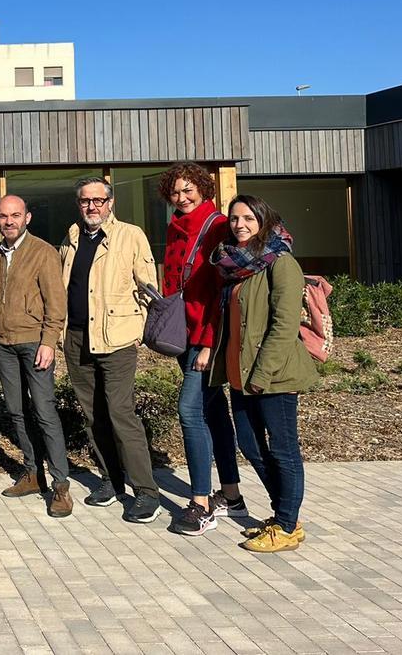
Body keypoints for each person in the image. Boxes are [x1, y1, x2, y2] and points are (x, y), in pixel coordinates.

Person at [209, 195, 316, 553]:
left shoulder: (280, 263)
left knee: (283, 450)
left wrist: (262, 373)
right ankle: (286, 515)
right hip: (242, 375)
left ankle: (286, 525)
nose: (239, 224)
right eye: (234, 218)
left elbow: (285, 324)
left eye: (247, 218)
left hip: (273, 376)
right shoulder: (234, 266)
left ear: (263, 220)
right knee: (251, 446)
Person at [59, 177, 162, 523]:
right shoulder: (72, 236)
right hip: (77, 337)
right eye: (86, 201)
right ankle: (110, 479)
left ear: (111, 203)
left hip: (117, 339)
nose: (92, 207)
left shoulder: (130, 236)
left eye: (98, 200)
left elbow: (149, 287)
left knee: (120, 412)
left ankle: (146, 492)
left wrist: (140, 331)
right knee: (92, 414)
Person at [157, 163, 247, 537]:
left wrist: (210, 343)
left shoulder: (218, 227)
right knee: (214, 413)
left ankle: (200, 502)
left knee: (189, 411)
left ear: (204, 189)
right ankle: (231, 495)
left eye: (189, 189)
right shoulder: (175, 227)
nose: (182, 197)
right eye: (176, 192)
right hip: (184, 332)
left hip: (206, 336)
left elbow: (218, 292)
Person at [0, 194, 73, 518]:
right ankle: (32, 473)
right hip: (5, 344)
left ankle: (61, 486)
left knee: (44, 411)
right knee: (16, 410)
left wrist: (49, 341)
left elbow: (56, 303)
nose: (8, 221)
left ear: (27, 218)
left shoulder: (43, 252)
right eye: (2, 216)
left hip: (35, 343)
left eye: (15, 215)